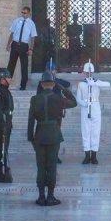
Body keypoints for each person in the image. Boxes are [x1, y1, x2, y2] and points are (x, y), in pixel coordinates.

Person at [27, 72, 77, 206]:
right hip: (54, 134)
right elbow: (74, 102)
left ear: (42, 84)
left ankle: (41, 196)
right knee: (52, 166)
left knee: (41, 167)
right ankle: (50, 196)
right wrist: (62, 88)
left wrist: (30, 137)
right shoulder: (59, 98)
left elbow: (31, 120)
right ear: (53, 84)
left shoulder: (35, 99)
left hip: (40, 134)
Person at [76, 60, 111, 165]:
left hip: (95, 107)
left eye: (90, 73)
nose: (89, 74)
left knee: (95, 131)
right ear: (84, 73)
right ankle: (87, 155)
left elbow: (107, 84)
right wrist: (84, 103)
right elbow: (78, 98)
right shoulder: (81, 84)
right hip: (85, 107)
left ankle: (94, 155)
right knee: (86, 131)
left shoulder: (97, 82)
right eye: (87, 73)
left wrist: (95, 83)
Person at [36, 58, 71, 164]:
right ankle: (45, 155)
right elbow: (38, 96)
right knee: (45, 135)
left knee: (56, 136)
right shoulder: (41, 83)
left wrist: (54, 80)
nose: (52, 71)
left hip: (56, 112)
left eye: (53, 70)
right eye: (50, 70)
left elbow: (67, 84)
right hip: (45, 112)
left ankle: (54, 155)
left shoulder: (57, 82)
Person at [6, 6, 38, 90]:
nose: (23, 14)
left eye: (25, 13)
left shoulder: (31, 23)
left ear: (29, 13)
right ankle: (6, 84)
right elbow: (12, 33)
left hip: (24, 46)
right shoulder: (16, 21)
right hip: (15, 44)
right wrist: (8, 44)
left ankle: (23, 85)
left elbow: (33, 37)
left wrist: (31, 49)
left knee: (24, 66)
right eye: (22, 12)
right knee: (11, 65)